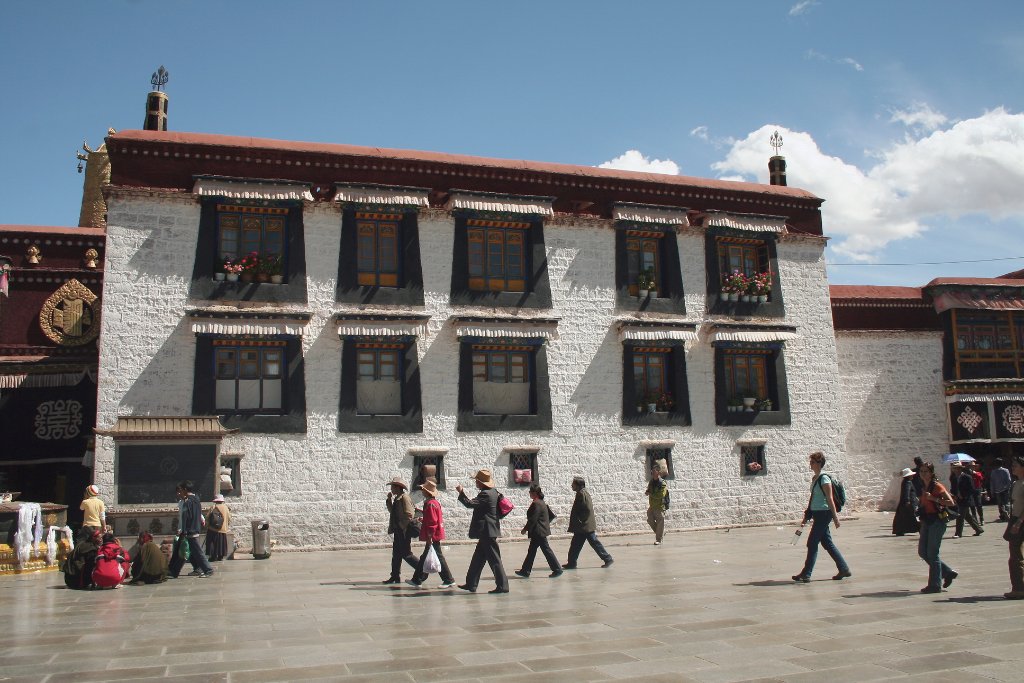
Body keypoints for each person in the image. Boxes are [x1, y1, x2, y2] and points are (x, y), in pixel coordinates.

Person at [792, 452, 851, 583]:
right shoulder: (815, 478)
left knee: (812, 543)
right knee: (827, 543)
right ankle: (844, 568)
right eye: (810, 462)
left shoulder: (824, 479)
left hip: (824, 513)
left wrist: (835, 517)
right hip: (817, 513)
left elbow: (829, 498)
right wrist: (807, 516)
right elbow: (813, 498)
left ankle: (806, 573)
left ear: (819, 463)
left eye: (812, 462)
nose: (810, 464)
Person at [456, 469, 509, 594]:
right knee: (478, 558)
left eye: (477, 481)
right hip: (489, 530)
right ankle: (471, 584)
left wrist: (461, 492)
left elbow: (470, 504)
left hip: (487, 531)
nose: (476, 483)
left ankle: (503, 586)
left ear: (480, 482)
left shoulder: (485, 494)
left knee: (494, 560)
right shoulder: (494, 492)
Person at [917, 461, 958, 593]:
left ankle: (935, 585)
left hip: (937, 521)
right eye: (921, 471)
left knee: (932, 553)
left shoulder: (937, 486)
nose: (923, 474)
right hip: (926, 521)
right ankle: (947, 572)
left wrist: (934, 499)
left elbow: (951, 502)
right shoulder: (923, 486)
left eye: (926, 471)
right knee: (923, 552)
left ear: (931, 473)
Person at [406, 479, 455, 588]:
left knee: (437, 556)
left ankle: (448, 579)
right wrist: (422, 518)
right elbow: (432, 518)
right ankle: (417, 579)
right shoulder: (435, 503)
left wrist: (429, 537)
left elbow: (432, 522)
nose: (422, 491)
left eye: (423, 490)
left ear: (427, 492)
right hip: (435, 534)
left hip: (433, 535)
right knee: (425, 557)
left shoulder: (430, 504)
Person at [563, 476, 614, 569]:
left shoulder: (582, 494)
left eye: (573, 484)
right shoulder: (582, 493)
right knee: (576, 544)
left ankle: (607, 558)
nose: (571, 485)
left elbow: (586, 509)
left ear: (578, 485)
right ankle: (571, 563)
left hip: (584, 526)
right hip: (583, 525)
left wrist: (581, 521)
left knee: (592, 542)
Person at [168, 480, 215, 578]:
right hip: (193, 529)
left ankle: (208, 569)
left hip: (189, 531)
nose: (179, 493)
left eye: (180, 490)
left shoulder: (188, 502)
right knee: (189, 551)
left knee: (196, 551)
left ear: (185, 489)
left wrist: (184, 530)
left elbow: (187, 518)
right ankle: (174, 571)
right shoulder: (196, 499)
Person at [515, 484, 562, 578]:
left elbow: (533, 518)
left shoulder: (537, 503)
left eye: (530, 492)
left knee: (546, 550)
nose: (529, 494)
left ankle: (557, 569)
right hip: (538, 531)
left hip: (538, 531)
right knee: (532, 551)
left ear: (535, 493)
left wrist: (525, 529)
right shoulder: (541, 502)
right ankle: (525, 570)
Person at [383, 476, 418, 584]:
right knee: (396, 555)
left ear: (398, 488)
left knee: (406, 554)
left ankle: (421, 569)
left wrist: (403, 526)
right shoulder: (397, 498)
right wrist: (389, 500)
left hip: (404, 530)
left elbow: (410, 514)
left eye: (393, 487)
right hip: (398, 530)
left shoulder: (404, 497)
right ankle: (395, 576)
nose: (391, 489)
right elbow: (392, 512)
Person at [1004, 455, 1024, 600]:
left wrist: (1018, 523)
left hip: (1020, 520)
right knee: (1015, 554)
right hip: (1015, 518)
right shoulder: (1017, 483)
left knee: (1016, 555)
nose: (1013, 468)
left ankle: (1019, 588)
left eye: (1015, 465)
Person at [951, 463, 983, 537]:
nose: (955, 470)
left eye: (956, 468)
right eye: (954, 468)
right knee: (967, 516)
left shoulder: (967, 477)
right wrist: (954, 495)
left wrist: (964, 496)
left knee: (960, 516)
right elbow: (953, 488)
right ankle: (978, 529)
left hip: (966, 500)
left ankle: (958, 533)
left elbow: (971, 489)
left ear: (960, 469)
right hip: (958, 499)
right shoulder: (954, 478)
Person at [645, 460, 670, 545]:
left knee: (660, 521)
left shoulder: (662, 483)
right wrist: (647, 491)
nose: (652, 473)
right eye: (652, 471)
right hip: (652, 505)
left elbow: (661, 495)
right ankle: (661, 533)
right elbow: (649, 489)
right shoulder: (651, 482)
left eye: (654, 471)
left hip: (659, 506)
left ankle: (658, 539)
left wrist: (651, 494)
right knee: (650, 520)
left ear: (658, 473)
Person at [892, 467, 920, 536]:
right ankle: (919, 529)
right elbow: (907, 492)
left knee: (902, 517)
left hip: (904, 503)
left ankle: (900, 530)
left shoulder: (905, 482)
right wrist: (907, 500)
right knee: (912, 517)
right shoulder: (908, 482)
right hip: (908, 503)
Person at [205, 494, 231, 562]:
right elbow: (229, 518)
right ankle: (220, 556)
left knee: (212, 543)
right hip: (223, 529)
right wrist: (226, 526)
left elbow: (207, 517)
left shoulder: (213, 507)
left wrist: (207, 525)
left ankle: (212, 556)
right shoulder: (226, 508)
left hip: (213, 528)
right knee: (221, 543)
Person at [989, 458, 1012, 522]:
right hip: (1005, 489)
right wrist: (1007, 487)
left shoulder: (993, 472)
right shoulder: (1005, 470)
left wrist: (992, 491)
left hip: (997, 490)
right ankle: (1007, 514)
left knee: (1000, 504)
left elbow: (992, 482)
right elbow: (1009, 480)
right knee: (1006, 502)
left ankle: (1002, 516)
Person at [970, 460, 986, 526]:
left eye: (974, 466)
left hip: (977, 490)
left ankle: (981, 519)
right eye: (971, 466)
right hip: (970, 490)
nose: (972, 467)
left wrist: (974, 473)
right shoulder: (967, 474)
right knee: (972, 506)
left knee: (979, 505)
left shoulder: (978, 473)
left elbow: (981, 478)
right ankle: (975, 519)